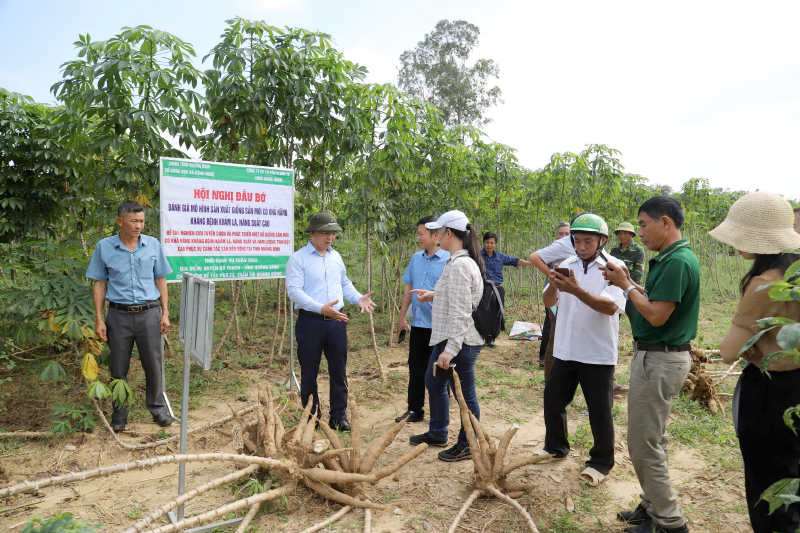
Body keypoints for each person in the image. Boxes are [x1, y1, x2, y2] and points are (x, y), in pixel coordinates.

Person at [602, 196, 700, 533]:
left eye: (643, 224)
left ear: (665, 223)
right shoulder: (672, 258)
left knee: (644, 444)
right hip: (659, 357)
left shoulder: (676, 262)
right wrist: (629, 282)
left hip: (660, 358)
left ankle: (670, 523)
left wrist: (625, 286)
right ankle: (652, 505)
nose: (638, 232)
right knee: (652, 440)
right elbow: (656, 300)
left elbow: (656, 315)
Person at [713, 191, 800, 533]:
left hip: (768, 393)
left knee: (767, 485)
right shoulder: (795, 276)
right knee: (790, 477)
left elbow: (728, 351)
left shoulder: (764, 284)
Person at [540, 214, 626, 487]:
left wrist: (575, 290)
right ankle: (556, 446)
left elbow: (611, 307)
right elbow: (549, 301)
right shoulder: (566, 264)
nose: (581, 246)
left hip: (597, 352)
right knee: (553, 400)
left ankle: (601, 462)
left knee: (599, 410)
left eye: (588, 241)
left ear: (602, 240)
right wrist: (554, 287)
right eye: (577, 241)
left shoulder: (615, 268)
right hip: (565, 349)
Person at [86, 201, 173, 433]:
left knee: (154, 364)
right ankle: (119, 413)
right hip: (119, 316)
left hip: (149, 315)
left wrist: (165, 313)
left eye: (142, 221)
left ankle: (157, 409)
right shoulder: (104, 247)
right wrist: (99, 319)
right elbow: (100, 285)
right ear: (120, 221)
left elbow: (161, 280)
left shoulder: (153, 245)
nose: (139, 225)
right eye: (134, 221)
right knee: (118, 367)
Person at [286, 212, 376, 432]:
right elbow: (294, 291)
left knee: (338, 369)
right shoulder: (298, 259)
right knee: (309, 372)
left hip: (337, 322)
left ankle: (339, 416)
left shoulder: (336, 257)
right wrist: (320, 307)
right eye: (325, 233)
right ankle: (311, 418)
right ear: (313, 233)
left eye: (333, 234)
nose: (330, 238)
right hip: (310, 322)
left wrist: (358, 298)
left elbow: (344, 283)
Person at [408, 210, 485, 462]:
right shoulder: (455, 261)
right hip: (447, 338)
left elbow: (462, 312)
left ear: (448, 233)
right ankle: (438, 432)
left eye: (439, 231)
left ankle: (467, 445)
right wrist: (434, 295)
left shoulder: (461, 265)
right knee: (433, 383)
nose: (436, 235)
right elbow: (456, 297)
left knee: (465, 395)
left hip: (460, 341)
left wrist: (451, 348)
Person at [395, 216, 450, 423]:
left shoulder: (449, 259)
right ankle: (415, 410)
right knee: (415, 369)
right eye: (417, 233)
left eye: (421, 234)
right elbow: (408, 288)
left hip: (440, 326)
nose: (418, 238)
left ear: (436, 235)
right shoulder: (416, 259)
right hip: (418, 325)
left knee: (439, 371)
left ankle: (440, 413)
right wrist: (402, 318)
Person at [529, 214, 588, 377]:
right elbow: (534, 257)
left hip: (580, 299)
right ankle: (551, 381)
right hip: (559, 299)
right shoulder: (565, 243)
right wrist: (554, 277)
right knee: (555, 336)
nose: (582, 245)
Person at [609, 221, 646, 394]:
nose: (622, 236)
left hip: (631, 291)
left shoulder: (638, 251)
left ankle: (641, 362)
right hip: (615, 292)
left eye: (626, 233)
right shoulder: (614, 250)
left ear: (632, 235)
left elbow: (637, 273)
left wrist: (627, 285)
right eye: (620, 233)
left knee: (638, 327)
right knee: (611, 326)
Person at [480, 231, 533, 347]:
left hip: (498, 289)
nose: (489, 245)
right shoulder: (477, 255)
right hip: (483, 288)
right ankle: (481, 335)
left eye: (492, 243)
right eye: (487, 242)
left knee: (496, 313)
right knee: (483, 312)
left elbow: (515, 261)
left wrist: (532, 263)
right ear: (483, 243)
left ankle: (491, 338)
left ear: (496, 244)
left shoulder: (500, 256)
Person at [537, 222, 571, 365]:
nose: (563, 236)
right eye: (560, 233)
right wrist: (552, 275)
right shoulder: (555, 247)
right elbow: (537, 258)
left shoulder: (573, 247)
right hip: (553, 291)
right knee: (551, 322)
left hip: (569, 292)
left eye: (566, 234)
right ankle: (544, 357)